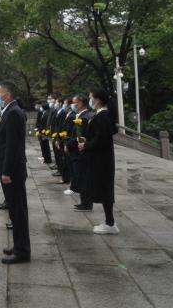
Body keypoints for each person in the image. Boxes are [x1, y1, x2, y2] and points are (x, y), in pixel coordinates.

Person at [0, 81, 31, 264]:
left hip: (13, 171)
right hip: (10, 169)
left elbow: (13, 146)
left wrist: (6, 171)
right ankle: (18, 245)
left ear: (6, 94)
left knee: (18, 211)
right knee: (15, 212)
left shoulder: (14, 112)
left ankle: (22, 251)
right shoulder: (9, 111)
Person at [77, 89, 118, 235]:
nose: (90, 100)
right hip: (100, 159)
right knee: (103, 190)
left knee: (105, 191)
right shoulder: (100, 115)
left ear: (98, 100)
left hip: (102, 160)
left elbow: (102, 139)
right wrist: (86, 141)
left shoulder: (103, 116)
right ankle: (109, 221)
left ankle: (110, 223)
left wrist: (85, 145)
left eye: (90, 98)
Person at [68, 94, 93, 201]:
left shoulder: (84, 117)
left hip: (80, 152)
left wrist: (68, 144)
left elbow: (79, 136)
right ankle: (84, 201)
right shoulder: (81, 115)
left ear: (81, 103)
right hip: (77, 151)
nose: (73, 105)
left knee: (82, 177)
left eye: (75, 102)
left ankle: (86, 202)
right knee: (80, 176)